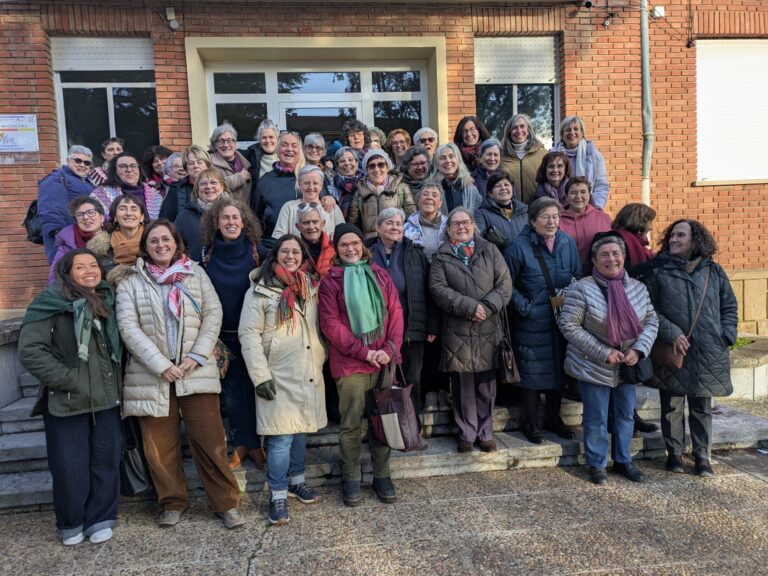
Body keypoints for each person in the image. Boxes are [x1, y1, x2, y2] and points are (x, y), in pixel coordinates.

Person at [115, 220, 244, 530]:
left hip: (195, 370)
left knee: (210, 440)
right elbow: (128, 327)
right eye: (154, 240)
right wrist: (161, 364)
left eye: (166, 239)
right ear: (145, 246)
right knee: (159, 447)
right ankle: (172, 502)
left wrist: (196, 356)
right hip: (152, 375)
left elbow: (213, 313)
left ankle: (225, 503)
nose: (161, 245)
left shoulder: (195, 273)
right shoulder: (131, 281)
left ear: (176, 243)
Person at [19, 249, 122, 546]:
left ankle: (101, 518)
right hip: (66, 400)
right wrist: (69, 379)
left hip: (105, 398)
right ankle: (71, 522)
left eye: (94, 265)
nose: (90, 271)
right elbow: (30, 350)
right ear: (67, 272)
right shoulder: (49, 303)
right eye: (81, 267)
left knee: (105, 462)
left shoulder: (106, 300)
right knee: (68, 467)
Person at [239, 234, 327, 525]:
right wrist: (260, 375)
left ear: (303, 256)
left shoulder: (308, 287)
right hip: (276, 373)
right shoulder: (259, 291)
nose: (291, 256)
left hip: (306, 369)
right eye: (285, 251)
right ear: (275, 256)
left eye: (296, 252)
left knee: (300, 431)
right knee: (280, 438)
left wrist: (320, 354)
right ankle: (277, 494)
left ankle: (296, 480)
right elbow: (248, 335)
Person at [558, 235, 659, 485]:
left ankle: (624, 460)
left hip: (628, 363)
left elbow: (651, 321)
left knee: (625, 415)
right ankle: (597, 464)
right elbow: (568, 325)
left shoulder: (637, 287)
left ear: (624, 257)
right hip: (594, 363)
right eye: (604, 254)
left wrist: (638, 349)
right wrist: (603, 352)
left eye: (616, 253)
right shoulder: (581, 288)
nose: (611, 259)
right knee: (596, 417)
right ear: (594, 260)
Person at [640, 219, 738, 477]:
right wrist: (672, 333)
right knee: (671, 404)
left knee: (702, 406)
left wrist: (726, 334)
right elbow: (649, 309)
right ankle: (673, 454)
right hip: (674, 349)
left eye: (680, 235)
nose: (673, 239)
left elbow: (729, 306)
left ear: (695, 240)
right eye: (671, 235)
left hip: (708, 349)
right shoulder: (659, 271)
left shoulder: (713, 272)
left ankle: (702, 456)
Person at [319, 223, 404, 507]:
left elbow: (395, 311)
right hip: (351, 364)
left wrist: (389, 349)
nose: (351, 248)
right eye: (344, 244)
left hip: (383, 361)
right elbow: (330, 323)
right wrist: (363, 351)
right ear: (336, 248)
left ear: (363, 245)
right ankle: (351, 477)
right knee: (351, 424)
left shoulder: (379, 274)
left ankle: (382, 474)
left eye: (355, 243)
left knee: (383, 420)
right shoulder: (331, 280)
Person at [430, 208, 512, 452]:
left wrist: (487, 307)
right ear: (448, 229)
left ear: (473, 224)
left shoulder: (490, 250)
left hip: (488, 326)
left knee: (487, 385)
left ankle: (485, 432)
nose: (461, 227)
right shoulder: (441, 256)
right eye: (456, 224)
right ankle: (466, 431)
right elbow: (438, 289)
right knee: (463, 385)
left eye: (465, 222)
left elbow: (505, 284)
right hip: (458, 329)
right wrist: (469, 307)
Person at [505, 197, 582, 444]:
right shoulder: (519, 247)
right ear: (532, 220)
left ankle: (553, 418)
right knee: (532, 372)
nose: (552, 222)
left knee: (558, 371)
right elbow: (507, 285)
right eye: (546, 216)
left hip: (561, 319)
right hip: (532, 320)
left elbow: (577, 275)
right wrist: (525, 308)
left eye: (556, 216)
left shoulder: (567, 242)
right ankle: (531, 422)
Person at [200, 198, 263, 470]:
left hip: (255, 335)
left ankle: (257, 444)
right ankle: (241, 443)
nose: (231, 222)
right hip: (223, 338)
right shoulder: (205, 254)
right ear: (216, 222)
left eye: (235, 217)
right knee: (234, 394)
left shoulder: (257, 252)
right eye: (225, 218)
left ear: (244, 221)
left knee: (257, 390)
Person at [372, 207, 439, 423]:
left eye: (398, 224)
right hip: (378, 330)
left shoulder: (415, 254)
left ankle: (412, 425)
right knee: (380, 380)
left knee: (412, 379)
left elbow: (429, 291)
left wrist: (432, 325)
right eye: (389, 223)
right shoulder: (367, 253)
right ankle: (384, 427)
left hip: (411, 328)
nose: (394, 227)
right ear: (378, 228)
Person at [610, 203, 661, 435]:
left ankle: (629, 415)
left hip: (635, 308)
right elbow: (627, 271)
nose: (650, 227)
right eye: (648, 221)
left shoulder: (636, 242)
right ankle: (622, 417)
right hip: (621, 309)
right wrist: (654, 264)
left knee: (629, 370)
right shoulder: (620, 239)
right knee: (619, 371)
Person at [38, 145, 97, 262]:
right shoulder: (57, 178)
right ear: (68, 160)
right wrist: (61, 236)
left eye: (87, 163)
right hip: (66, 239)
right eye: (78, 160)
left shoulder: (90, 183)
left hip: (87, 237)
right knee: (66, 273)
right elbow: (51, 210)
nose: (82, 165)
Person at [252, 130, 307, 249]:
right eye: (284, 144)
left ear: (300, 151)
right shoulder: (265, 181)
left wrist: (328, 197)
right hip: (272, 246)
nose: (289, 149)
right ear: (277, 149)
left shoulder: (308, 177)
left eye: (294, 145)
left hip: (305, 245)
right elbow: (255, 219)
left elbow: (325, 202)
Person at [347, 149, 416, 239]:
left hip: (396, 244)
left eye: (381, 165)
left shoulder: (402, 188)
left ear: (387, 167)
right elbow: (353, 225)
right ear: (367, 170)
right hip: (370, 246)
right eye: (372, 166)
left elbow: (412, 220)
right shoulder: (359, 193)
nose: (376, 169)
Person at [552, 115, 610, 209]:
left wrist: (597, 207)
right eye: (568, 130)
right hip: (560, 210)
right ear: (562, 135)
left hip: (588, 209)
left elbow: (601, 185)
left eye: (576, 129)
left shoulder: (593, 155)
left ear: (582, 133)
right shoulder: (552, 156)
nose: (572, 132)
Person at [273, 165, 344, 239]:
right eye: (306, 183)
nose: (311, 187)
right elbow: (278, 235)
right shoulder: (289, 207)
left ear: (321, 185)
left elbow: (343, 236)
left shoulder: (332, 208)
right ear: (300, 184)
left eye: (315, 183)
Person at [558, 176, 612, 274]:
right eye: (573, 193)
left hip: (599, 274)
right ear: (566, 196)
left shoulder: (604, 218)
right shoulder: (557, 220)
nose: (578, 196)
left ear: (589, 195)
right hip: (568, 276)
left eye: (583, 192)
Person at [90, 151, 164, 220]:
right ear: (114, 170)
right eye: (123, 166)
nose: (129, 170)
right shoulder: (101, 194)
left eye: (133, 166)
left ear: (139, 169)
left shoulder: (155, 195)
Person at [175, 169, 229, 261]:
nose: (208, 187)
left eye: (213, 182)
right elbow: (175, 246)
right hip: (197, 271)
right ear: (197, 189)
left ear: (222, 186)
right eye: (203, 184)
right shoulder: (184, 216)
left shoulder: (235, 212)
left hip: (230, 269)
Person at [86, 194, 148, 275]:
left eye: (134, 209)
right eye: (122, 208)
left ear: (142, 217)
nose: (128, 213)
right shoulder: (100, 248)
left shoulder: (153, 242)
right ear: (115, 216)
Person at [48, 198, 105, 284]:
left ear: (102, 217)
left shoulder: (114, 233)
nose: (85, 217)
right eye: (79, 214)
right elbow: (55, 274)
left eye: (91, 212)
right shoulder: (67, 241)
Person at [500, 114, 548, 203]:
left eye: (522, 126)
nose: (519, 131)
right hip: (510, 209)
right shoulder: (500, 155)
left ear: (528, 130)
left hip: (537, 209)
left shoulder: (542, 153)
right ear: (509, 132)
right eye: (514, 127)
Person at [159, 145, 213, 222]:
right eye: (191, 163)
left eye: (200, 162)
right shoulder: (176, 189)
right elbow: (164, 220)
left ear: (207, 165)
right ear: (186, 167)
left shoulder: (217, 187)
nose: (196, 166)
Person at [475, 171, 528, 250]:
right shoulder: (482, 214)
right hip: (499, 259)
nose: (503, 188)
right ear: (490, 193)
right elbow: (480, 241)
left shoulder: (525, 211)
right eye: (498, 186)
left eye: (506, 184)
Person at [432, 143, 483, 215]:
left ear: (458, 160)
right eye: (442, 158)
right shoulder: (431, 187)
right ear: (437, 163)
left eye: (451, 156)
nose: (448, 161)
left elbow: (477, 214)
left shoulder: (470, 186)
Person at [403, 182, 447, 262]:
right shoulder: (406, 228)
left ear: (440, 203)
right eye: (425, 194)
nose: (429, 197)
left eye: (434, 195)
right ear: (419, 201)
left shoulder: (449, 226)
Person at [209, 124, 251, 204]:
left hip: (245, 214)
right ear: (214, 145)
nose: (226, 144)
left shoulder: (246, 162)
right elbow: (212, 187)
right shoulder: (209, 163)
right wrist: (240, 178)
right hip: (222, 214)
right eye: (221, 141)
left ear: (235, 143)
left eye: (229, 140)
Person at [295, 203, 335, 279]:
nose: (311, 227)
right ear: (298, 226)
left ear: (322, 224)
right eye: (306, 223)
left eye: (315, 222)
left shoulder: (335, 246)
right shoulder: (293, 251)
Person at [612, 203, 657, 270]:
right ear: (639, 222)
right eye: (649, 223)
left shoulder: (633, 241)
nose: (651, 228)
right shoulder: (619, 242)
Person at [327, 146, 364, 218]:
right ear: (337, 166)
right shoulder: (330, 185)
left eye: (350, 160)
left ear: (356, 162)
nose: (347, 163)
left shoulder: (366, 183)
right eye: (342, 161)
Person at [242, 118, 279, 189]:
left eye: (271, 137)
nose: (268, 141)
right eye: (264, 137)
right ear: (259, 139)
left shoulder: (284, 156)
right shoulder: (251, 155)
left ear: (277, 138)